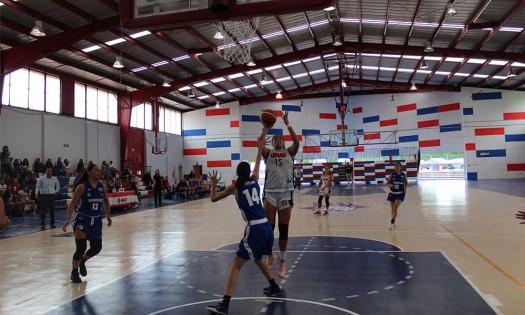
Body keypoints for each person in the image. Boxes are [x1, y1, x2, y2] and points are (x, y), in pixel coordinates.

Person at [206, 131, 281, 315]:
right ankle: (274, 286)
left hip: (255, 228)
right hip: (267, 226)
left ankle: (224, 304)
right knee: (256, 258)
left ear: (236, 174)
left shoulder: (234, 188)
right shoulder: (255, 179)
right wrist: (262, 137)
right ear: (249, 172)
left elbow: (213, 199)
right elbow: (257, 154)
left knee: (236, 265)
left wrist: (214, 183)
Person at [259, 111, 300, 279]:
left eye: (279, 139)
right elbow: (259, 144)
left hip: (285, 193)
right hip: (269, 192)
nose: (276, 141)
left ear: (283, 142)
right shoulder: (267, 153)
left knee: (283, 230)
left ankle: (282, 260)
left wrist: (288, 124)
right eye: (274, 139)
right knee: (269, 230)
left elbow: (297, 142)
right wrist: (266, 128)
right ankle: (271, 255)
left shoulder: (290, 152)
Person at [62, 162, 112, 283]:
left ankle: (83, 261)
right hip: (82, 219)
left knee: (97, 247)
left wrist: (109, 216)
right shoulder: (82, 187)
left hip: (96, 219)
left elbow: (106, 201)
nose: (99, 172)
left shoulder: (102, 186)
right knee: (81, 248)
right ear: (89, 173)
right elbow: (73, 203)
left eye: (99, 170)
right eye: (95, 170)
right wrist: (68, 220)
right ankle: (74, 273)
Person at [386, 161, 407, 230]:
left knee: (395, 208)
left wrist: (405, 188)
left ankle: (391, 223)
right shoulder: (392, 174)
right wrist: (391, 185)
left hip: (400, 194)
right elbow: (387, 183)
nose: (396, 167)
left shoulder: (403, 175)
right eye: (395, 166)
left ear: (401, 167)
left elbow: (406, 183)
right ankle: (394, 220)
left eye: (398, 165)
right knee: (392, 210)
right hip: (392, 193)